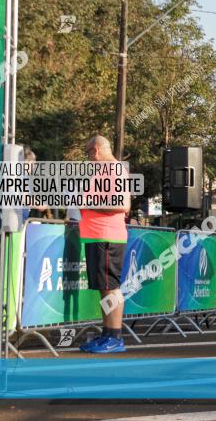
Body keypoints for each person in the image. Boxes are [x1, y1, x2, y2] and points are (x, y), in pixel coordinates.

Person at [77, 135, 131, 354]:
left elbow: (122, 204)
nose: (88, 159)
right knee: (105, 288)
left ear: (96, 150)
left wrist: (86, 202)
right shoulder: (104, 171)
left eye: (88, 154)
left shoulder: (114, 170)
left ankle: (115, 336)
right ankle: (107, 334)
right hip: (97, 235)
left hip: (107, 236)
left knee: (110, 288)